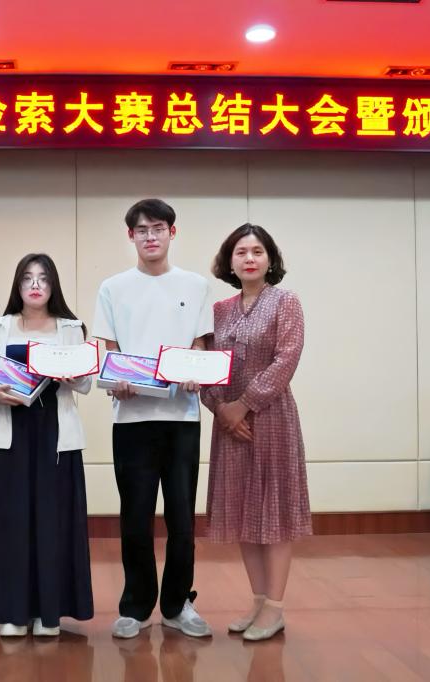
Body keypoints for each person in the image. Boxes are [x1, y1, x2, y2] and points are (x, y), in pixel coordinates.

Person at [92, 198, 215, 639]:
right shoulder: (113, 287)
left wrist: (195, 370)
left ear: (172, 232)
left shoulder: (196, 285)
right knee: (135, 517)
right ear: (131, 236)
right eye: (141, 230)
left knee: (182, 518)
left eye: (158, 228)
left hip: (182, 418)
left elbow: (201, 345)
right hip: (131, 419)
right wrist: (117, 379)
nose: (150, 236)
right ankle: (135, 606)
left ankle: (179, 605)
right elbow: (109, 350)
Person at [0, 253, 94, 637]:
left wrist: (71, 376)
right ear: (17, 285)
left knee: (53, 521)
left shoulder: (71, 328)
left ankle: (48, 614)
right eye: (27, 278)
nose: (35, 285)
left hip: (55, 433)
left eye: (43, 278)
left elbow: (86, 383)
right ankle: (12, 611)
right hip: (10, 432)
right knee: (10, 521)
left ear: (53, 285)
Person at [201, 223, 311, 641]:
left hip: (271, 418)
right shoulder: (219, 310)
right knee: (242, 509)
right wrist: (221, 408)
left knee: (274, 511)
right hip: (230, 424)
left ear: (270, 259)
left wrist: (244, 404)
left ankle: (276, 608)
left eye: (258, 251)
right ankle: (259, 600)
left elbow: (287, 359)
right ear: (229, 262)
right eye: (241, 252)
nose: (249, 258)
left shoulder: (286, 302)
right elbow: (205, 364)